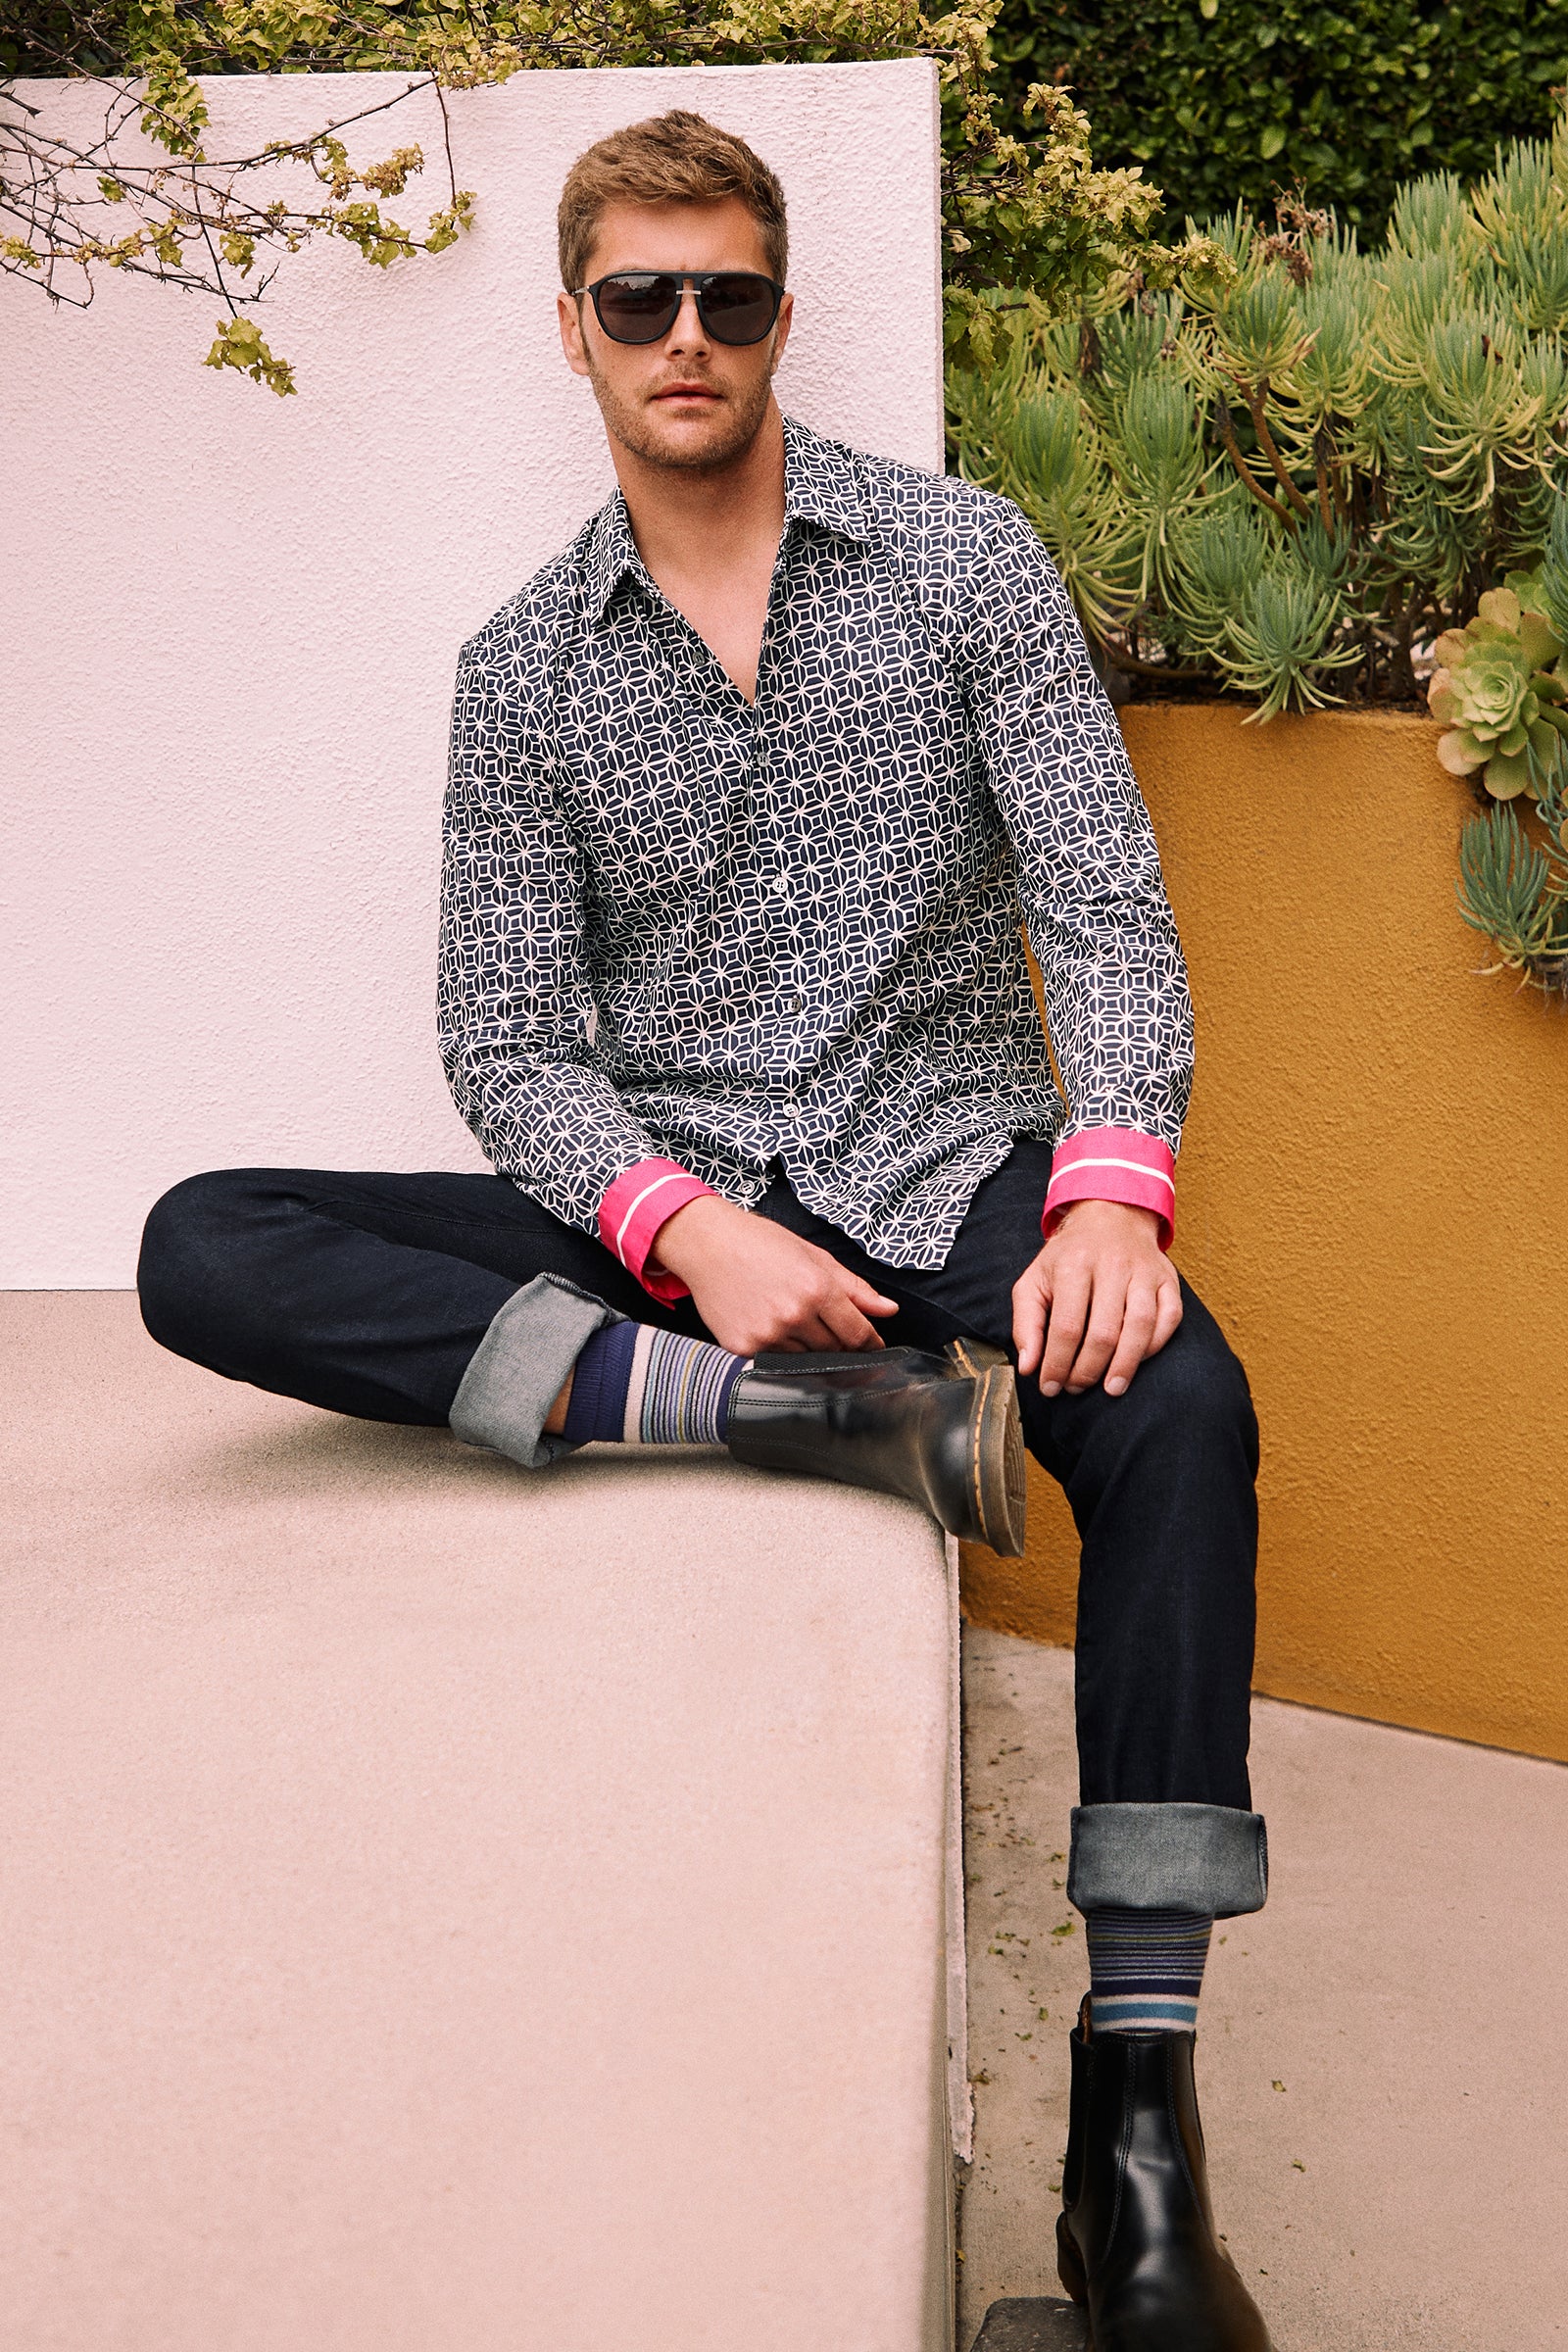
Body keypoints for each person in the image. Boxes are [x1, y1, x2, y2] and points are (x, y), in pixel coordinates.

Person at [138, 109, 1271, 2348]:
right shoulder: (520, 672)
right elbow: (507, 1045)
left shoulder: (957, 565)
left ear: (779, 314)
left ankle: (1131, 2130)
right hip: (689, 1233)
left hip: (951, 1163)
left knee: (1187, 1413)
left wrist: (1112, 1184)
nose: (685, 336)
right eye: (638, 298)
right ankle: (782, 1416)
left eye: (726, 294)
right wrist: (678, 1233)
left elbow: (1102, 908)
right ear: (571, 331)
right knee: (205, 1239)